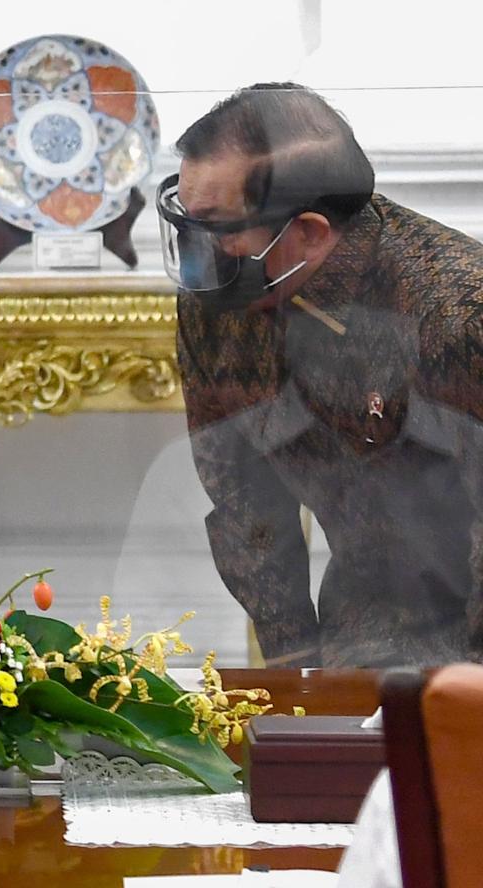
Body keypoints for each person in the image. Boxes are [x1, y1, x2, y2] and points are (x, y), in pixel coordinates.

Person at [157, 83, 483, 667]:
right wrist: (292, 671)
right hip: (362, 624)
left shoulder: (457, 310)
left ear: (307, 232)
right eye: (187, 222)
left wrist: (465, 705)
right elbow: (241, 503)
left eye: (215, 228)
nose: (196, 255)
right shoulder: (215, 308)